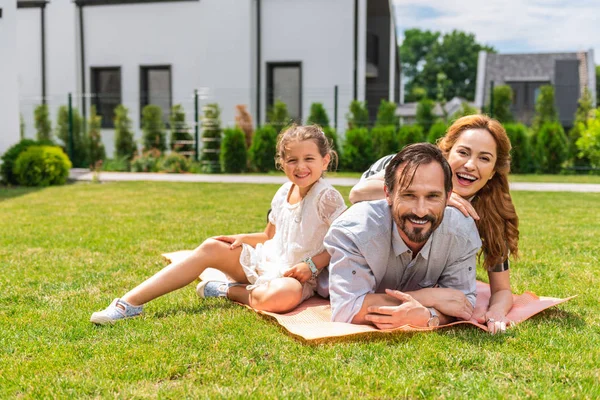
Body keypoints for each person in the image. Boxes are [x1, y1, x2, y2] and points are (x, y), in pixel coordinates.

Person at [91, 124, 347, 324]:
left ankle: (227, 291)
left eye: (309, 159)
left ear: (325, 161)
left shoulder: (327, 196)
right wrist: (239, 238)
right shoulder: (283, 191)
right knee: (211, 246)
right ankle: (128, 304)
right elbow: (269, 236)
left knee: (281, 296)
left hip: (298, 278)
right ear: (282, 164)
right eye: (292, 160)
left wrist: (311, 265)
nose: (300, 166)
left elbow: (345, 243)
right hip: (267, 262)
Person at [348, 114, 519, 334]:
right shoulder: (411, 168)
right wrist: (444, 198)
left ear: (494, 170)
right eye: (463, 152)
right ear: (446, 154)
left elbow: (502, 288)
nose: (470, 165)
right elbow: (357, 193)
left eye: (484, 158)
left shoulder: (491, 211)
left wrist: (496, 311)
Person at [324, 143, 482, 329]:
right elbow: (347, 309)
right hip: (318, 281)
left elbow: (461, 304)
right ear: (388, 194)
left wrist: (427, 316)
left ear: (448, 197)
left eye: (432, 196)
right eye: (409, 195)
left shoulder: (460, 231)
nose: (421, 211)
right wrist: (428, 298)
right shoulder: (356, 229)